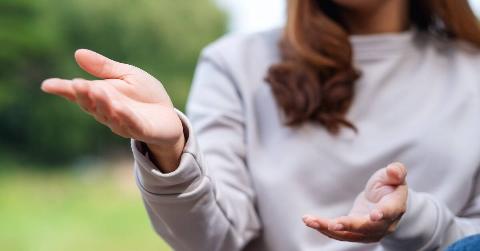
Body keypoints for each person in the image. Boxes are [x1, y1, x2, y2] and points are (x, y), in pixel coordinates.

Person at [41, 0, 480, 250]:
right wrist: (171, 151)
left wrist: (415, 220)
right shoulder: (235, 64)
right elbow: (214, 240)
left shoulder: (472, 71)